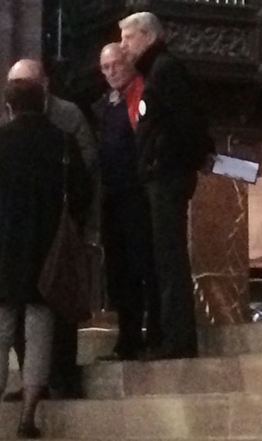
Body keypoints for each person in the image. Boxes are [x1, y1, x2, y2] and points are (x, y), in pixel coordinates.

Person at [0, 78, 91, 440]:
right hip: (46, 250)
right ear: (44, 103)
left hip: (2, 250)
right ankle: (27, 419)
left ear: (9, 106)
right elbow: (82, 194)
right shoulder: (62, 141)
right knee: (39, 334)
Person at [118, 11, 213, 360]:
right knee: (163, 258)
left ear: (147, 36)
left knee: (170, 260)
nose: (123, 46)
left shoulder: (166, 69)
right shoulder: (155, 70)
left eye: (128, 38)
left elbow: (186, 122)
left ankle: (179, 340)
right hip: (160, 175)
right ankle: (170, 336)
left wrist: (165, 160)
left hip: (167, 176)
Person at [5, 58, 97, 399]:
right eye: (14, 84)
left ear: (43, 84)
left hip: (59, 227)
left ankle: (63, 377)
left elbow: (88, 163)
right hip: (21, 231)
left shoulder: (68, 115)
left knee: (61, 302)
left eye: (24, 83)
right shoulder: (8, 119)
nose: (17, 90)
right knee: (22, 309)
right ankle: (33, 381)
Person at [92, 44, 160, 360]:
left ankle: (155, 334)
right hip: (113, 198)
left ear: (128, 62)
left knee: (144, 267)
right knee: (119, 271)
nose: (111, 72)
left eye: (115, 64)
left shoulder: (142, 93)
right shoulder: (106, 104)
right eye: (105, 67)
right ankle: (127, 337)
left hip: (139, 197)